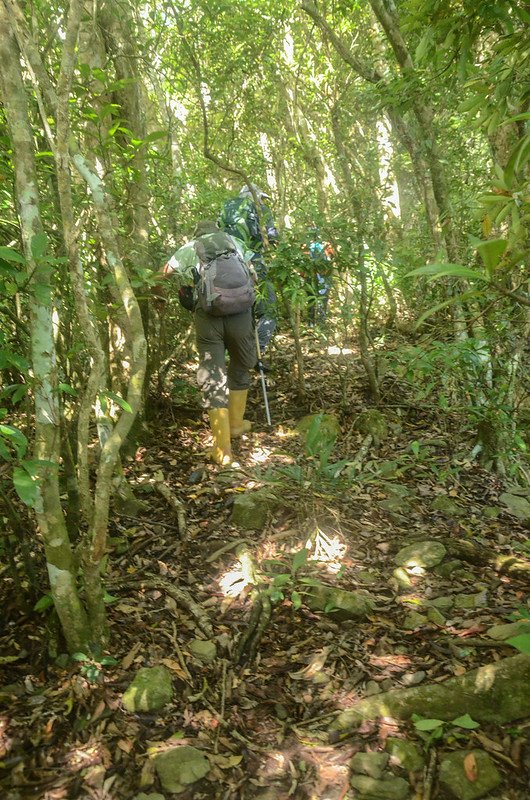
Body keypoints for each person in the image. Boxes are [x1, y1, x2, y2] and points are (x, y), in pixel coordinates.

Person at [154, 220, 257, 466]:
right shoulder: (235, 243)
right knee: (241, 365)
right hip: (241, 314)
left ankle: (223, 450)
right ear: (218, 231)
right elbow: (253, 274)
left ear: (197, 234)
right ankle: (235, 425)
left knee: (214, 375)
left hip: (208, 317)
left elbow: (160, 274)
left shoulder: (189, 248)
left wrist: (158, 296)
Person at [219, 184, 279, 356]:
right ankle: (254, 351)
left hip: (226, 265)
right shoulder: (260, 210)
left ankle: (230, 355)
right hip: (253, 262)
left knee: (237, 310)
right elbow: (273, 237)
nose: (262, 202)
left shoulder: (226, 208)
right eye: (260, 198)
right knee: (269, 310)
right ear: (255, 196)